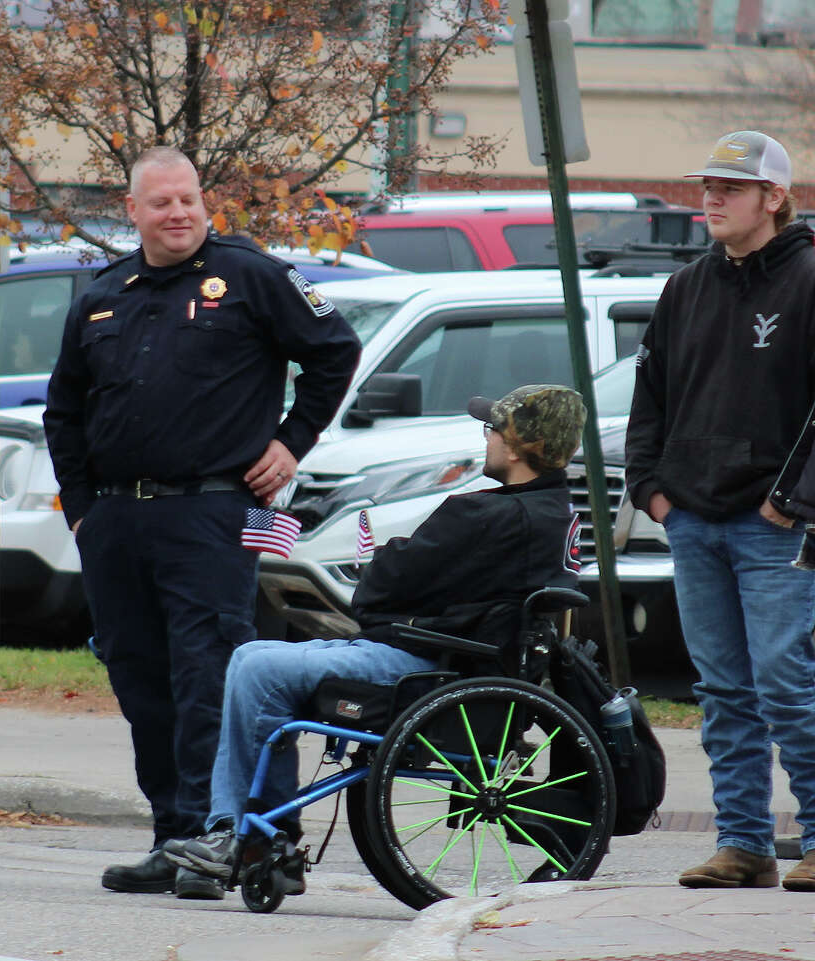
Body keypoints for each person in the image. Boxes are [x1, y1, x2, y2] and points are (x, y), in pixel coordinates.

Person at [43, 146, 361, 899]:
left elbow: (335, 352)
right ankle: (172, 833)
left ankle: (214, 837)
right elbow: (64, 409)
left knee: (206, 677)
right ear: (132, 211)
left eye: (188, 199)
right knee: (140, 677)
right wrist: (84, 511)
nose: (179, 213)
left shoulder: (250, 275)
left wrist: (291, 444)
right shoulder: (102, 293)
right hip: (118, 520)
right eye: (162, 203)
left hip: (213, 513)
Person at [162, 384, 587, 885]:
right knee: (260, 660)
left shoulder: (484, 515)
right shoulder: (554, 514)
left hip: (430, 671)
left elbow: (380, 589)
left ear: (517, 446)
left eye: (493, 429)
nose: (487, 438)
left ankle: (235, 832)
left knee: (256, 666)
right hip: (473, 668)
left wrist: (384, 562)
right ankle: (264, 843)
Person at [625, 130, 815, 892]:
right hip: (693, 520)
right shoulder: (688, 287)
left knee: (785, 682)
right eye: (707, 185)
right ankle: (743, 844)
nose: (711, 198)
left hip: (775, 526)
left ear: (774, 197)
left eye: (730, 188)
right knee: (723, 690)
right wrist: (653, 491)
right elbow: (651, 396)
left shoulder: (807, 278)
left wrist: (792, 502)